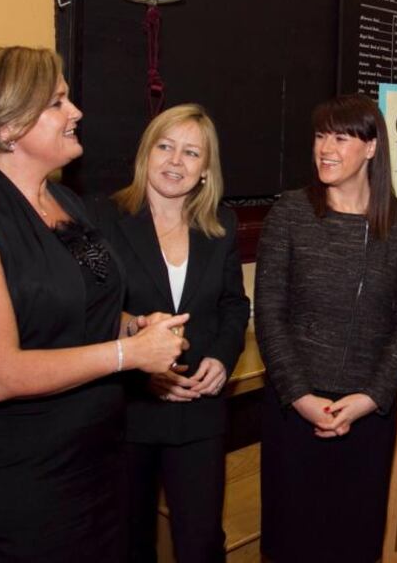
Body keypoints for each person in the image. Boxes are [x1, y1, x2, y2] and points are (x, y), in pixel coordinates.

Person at [0, 46, 188, 562]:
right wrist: (129, 355)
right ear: (8, 128)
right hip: (19, 474)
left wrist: (135, 328)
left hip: (96, 455)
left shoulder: (66, 202)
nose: (76, 112)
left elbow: (83, 310)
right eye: (57, 103)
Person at [254, 94, 397, 562]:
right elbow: (269, 313)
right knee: (293, 543)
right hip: (295, 411)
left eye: (340, 138)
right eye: (320, 136)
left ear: (371, 147)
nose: (325, 149)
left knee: (354, 541)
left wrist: (371, 398)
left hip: (367, 414)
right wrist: (302, 398)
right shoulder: (290, 213)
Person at [87, 104, 250, 563]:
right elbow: (90, 309)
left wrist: (221, 359)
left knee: (201, 544)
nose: (176, 161)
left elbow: (234, 305)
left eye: (191, 153)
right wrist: (144, 364)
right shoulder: (101, 217)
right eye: (165, 146)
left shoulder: (221, 226)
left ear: (205, 170)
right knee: (128, 543)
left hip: (199, 410)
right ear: (147, 153)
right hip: (127, 412)